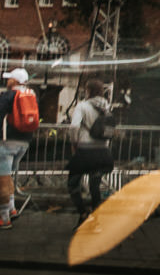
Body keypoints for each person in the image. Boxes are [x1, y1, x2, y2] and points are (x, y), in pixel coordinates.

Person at [0, 67, 36, 230]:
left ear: (15, 81)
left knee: (2, 178)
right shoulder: (31, 95)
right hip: (25, 141)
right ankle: (12, 209)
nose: (7, 81)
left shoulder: (8, 96)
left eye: (9, 78)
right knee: (9, 175)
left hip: (7, 141)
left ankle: (4, 219)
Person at [65, 79, 115, 223]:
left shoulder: (82, 106)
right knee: (95, 186)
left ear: (88, 91)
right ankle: (96, 218)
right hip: (102, 152)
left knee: (73, 183)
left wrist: (74, 143)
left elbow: (74, 126)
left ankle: (82, 212)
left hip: (85, 151)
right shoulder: (107, 107)